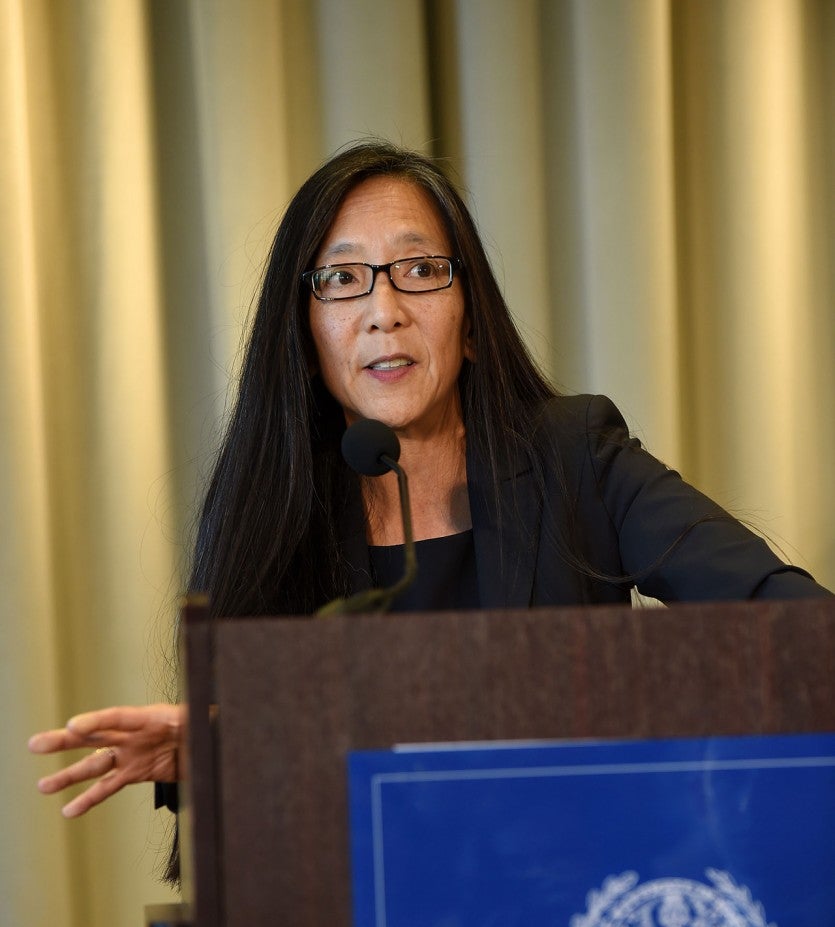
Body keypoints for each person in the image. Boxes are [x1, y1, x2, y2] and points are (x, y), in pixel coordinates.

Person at [29, 139, 832, 833]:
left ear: (471, 317)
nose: (384, 310)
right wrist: (217, 745)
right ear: (305, 339)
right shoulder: (270, 515)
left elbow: (799, 631)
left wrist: (652, 744)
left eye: (419, 270)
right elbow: (266, 832)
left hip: (576, 902)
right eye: (342, 280)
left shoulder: (574, 458)